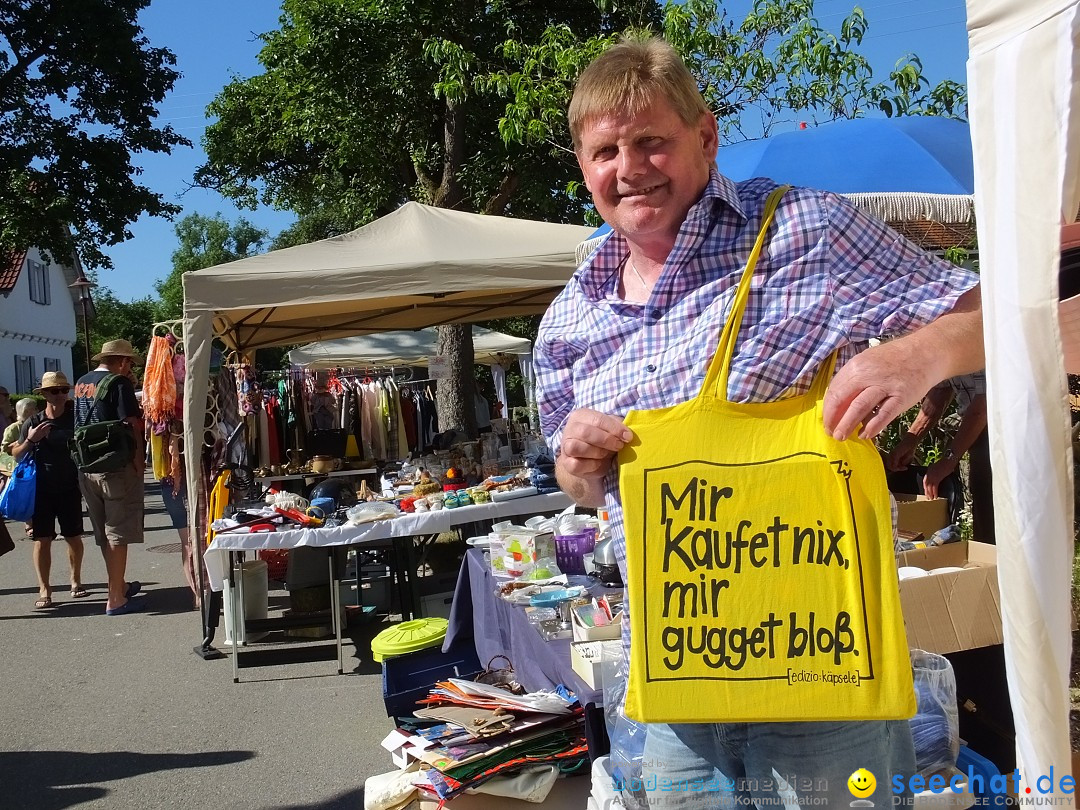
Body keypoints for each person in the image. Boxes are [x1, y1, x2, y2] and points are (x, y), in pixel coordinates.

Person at [533, 37, 984, 808]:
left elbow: (995, 312)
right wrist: (576, 458)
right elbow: (580, 490)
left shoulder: (801, 230)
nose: (629, 167)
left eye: (652, 141)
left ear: (704, 137)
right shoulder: (570, 315)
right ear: (584, 166)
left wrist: (921, 355)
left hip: (820, 671)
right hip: (676, 680)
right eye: (606, 149)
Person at [73, 339, 146, 615]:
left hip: (86, 467)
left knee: (103, 532)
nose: (129, 368)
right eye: (128, 363)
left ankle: (118, 585)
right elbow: (131, 424)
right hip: (115, 466)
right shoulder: (119, 383)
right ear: (122, 361)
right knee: (118, 532)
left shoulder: (81, 382)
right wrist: (139, 463)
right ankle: (116, 598)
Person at [886, 372, 993, 541]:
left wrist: (948, 460)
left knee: (996, 510)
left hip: (1007, 430)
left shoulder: (980, 348)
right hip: (982, 431)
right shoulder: (944, 350)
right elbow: (941, 390)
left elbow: (985, 404)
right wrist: (911, 439)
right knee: (984, 509)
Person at [10, 373, 86, 608]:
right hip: (41, 489)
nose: (61, 395)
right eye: (55, 391)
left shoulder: (76, 419)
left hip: (70, 486)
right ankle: (45, 588)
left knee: (73, 537)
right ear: (43, 394)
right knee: (42, 540)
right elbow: (15, 453)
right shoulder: (33, 422)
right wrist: (31, 440)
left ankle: (76, 580)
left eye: (64, 390)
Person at [2, 397, 37, 538]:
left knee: (34, 495)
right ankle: (29, 525)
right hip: (18, 467)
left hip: (33, 465)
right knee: (24, 495)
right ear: (27, 410)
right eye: (34, 408)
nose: (37, 411)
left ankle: (37, 524)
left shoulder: (36, 423)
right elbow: (5, 447)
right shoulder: (13, 428)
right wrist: (20, 442)